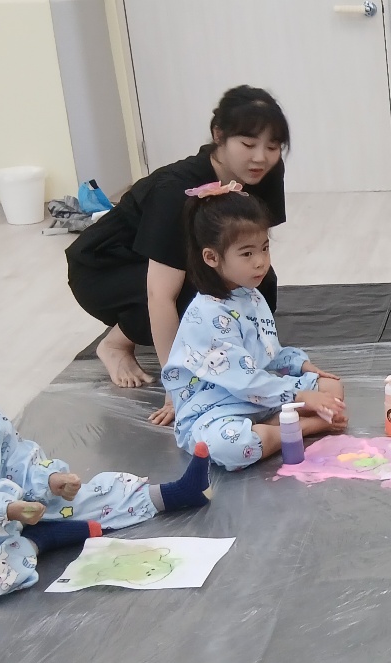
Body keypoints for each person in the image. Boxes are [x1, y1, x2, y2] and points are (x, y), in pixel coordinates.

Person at [0, 299, 213, 606]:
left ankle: (170, 495)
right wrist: (5, 510)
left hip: (6, 507)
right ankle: (40, 540)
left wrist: (48, 479)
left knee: (81, 496)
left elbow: (13, 453)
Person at [65, 85, 289, 426]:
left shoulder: (265, 172)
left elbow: (251, 246)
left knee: (259, 278)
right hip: (105, 267)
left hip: (172, 261)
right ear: (219, 135)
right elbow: (159, 294)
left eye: (272, 147)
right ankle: (117, 342)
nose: (261, 157)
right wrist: (179, 388)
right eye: (248, 144)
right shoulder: (174, 190)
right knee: (192, 298)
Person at [160, 183, 346, 471]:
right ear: (211, 257)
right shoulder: (207, 314)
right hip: (215, 408)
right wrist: (300, 396)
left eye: (265, 248)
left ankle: (275, 426)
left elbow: (267, 352)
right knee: (232, 446)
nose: (261, 262)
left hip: (260, 396)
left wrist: (300, 364)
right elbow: (243, 379)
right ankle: (305, 427)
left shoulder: (250, 294)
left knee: (331, 387)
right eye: (247, 254)